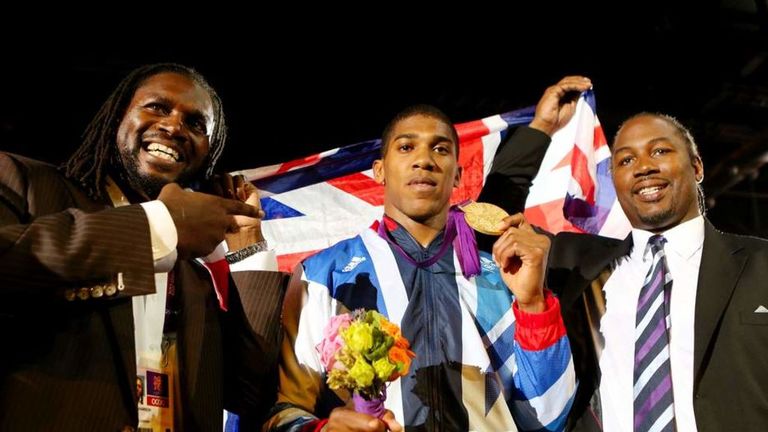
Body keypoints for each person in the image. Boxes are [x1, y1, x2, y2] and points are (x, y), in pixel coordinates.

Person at [264, 77, 592, 432]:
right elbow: (285, 412)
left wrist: (533, 305)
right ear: (379, 171)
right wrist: (322, 430)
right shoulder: (325, 275)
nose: (424, 159)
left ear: (457, 175)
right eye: (406, 148)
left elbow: (550, 417)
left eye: (440, 149)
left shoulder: (502, 271)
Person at [0, 63, 286, 431]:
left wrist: (248, 246)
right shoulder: (24, 181)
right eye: (158, 107)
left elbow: (248, 392)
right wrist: (158, 226)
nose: (174, 127)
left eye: (196, 124)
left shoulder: (194, 279)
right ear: (118, 116)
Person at [492, 108, 768, 431]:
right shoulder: (577, 265)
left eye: (660, 151)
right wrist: (541, 127)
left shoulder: (760, 262)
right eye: (625, 161)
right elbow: (494, 216)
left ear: (697, 166)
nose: (644, 168)